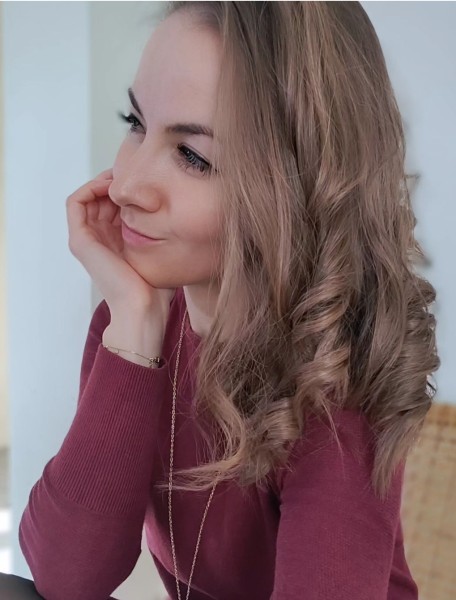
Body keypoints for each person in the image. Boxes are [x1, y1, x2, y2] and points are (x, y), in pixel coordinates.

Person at [2, 2, 439, 599]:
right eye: (135, 121)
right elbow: (66, 576)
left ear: (299, 187)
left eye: (193, 156)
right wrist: (132, 325)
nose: (125, 185)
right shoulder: (138, 321)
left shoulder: (334, 385)